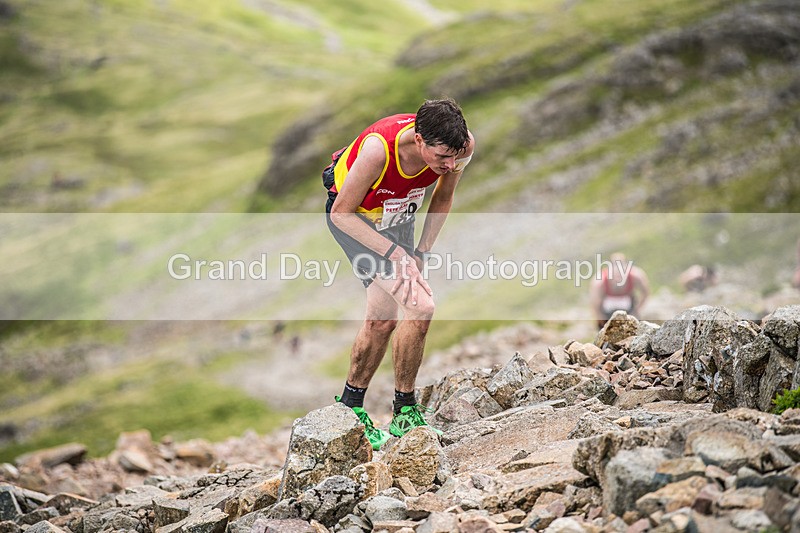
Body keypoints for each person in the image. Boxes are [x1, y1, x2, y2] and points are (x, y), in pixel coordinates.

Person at [322, 98, 475, 450]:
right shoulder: (379, 150)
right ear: (419, 140)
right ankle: (405, 414)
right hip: (354, 220)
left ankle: (348, 411)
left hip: (398, 218)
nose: (450, 165)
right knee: (421, 306)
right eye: (441, 158)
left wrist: (420, 252)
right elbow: (340, 214)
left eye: (455, 156)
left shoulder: (462, 146)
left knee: (382, 320)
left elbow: (442, 199)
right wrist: (396, 255)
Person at [589, 252, 650, 328]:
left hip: (629, 309)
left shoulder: (636, 275)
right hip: (606, 312)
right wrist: (600, 318)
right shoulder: (599, 280)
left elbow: (645, 292)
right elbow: (594, 303)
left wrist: (637, 309)